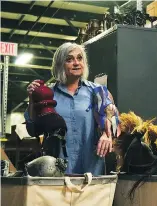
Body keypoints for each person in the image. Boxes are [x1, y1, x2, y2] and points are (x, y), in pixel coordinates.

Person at [25, 42, 120, 175]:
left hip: (91, 169)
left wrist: (107, 135)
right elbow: (32, 130)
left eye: (79, 58)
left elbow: (115, 123)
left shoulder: (98, 92)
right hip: (57, 170)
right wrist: (32, 100)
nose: (76, 63)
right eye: (69, 59)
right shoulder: (47, 94)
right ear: (59, 64)